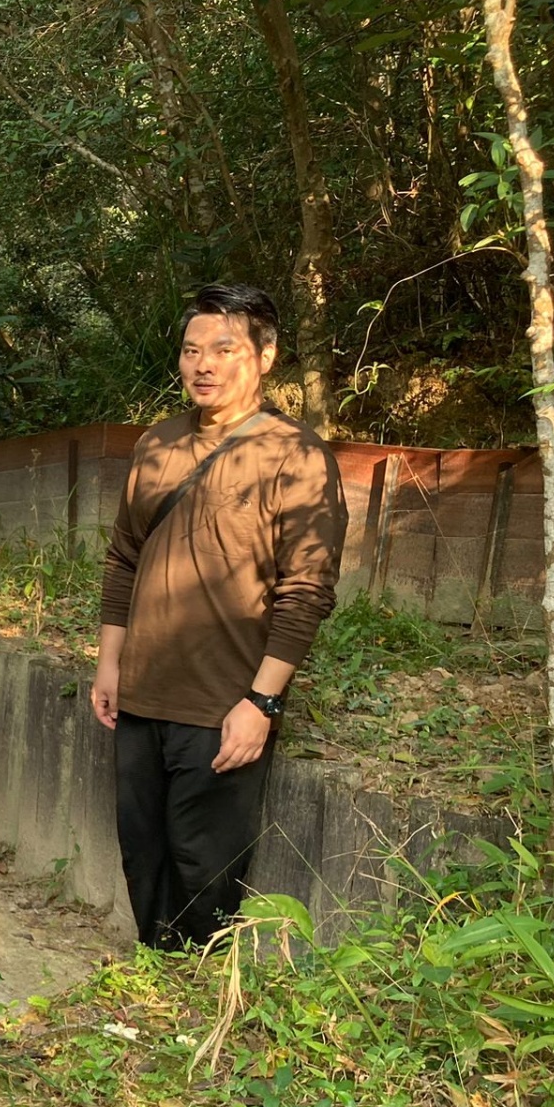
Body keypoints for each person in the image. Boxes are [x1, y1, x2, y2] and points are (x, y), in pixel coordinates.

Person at [90, 283, 346, 948]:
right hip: (142, 693)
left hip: (223, 703)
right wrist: (110, 665)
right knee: (142, 849)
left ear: (265, 357)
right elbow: (123, 559)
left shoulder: (296, 454)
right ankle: (155, 975)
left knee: (205, 866)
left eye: (224, 349)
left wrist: (261, 702)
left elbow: (307, 589)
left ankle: (200, 988)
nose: (203, 364)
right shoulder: (157, 444)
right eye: (191, 350)